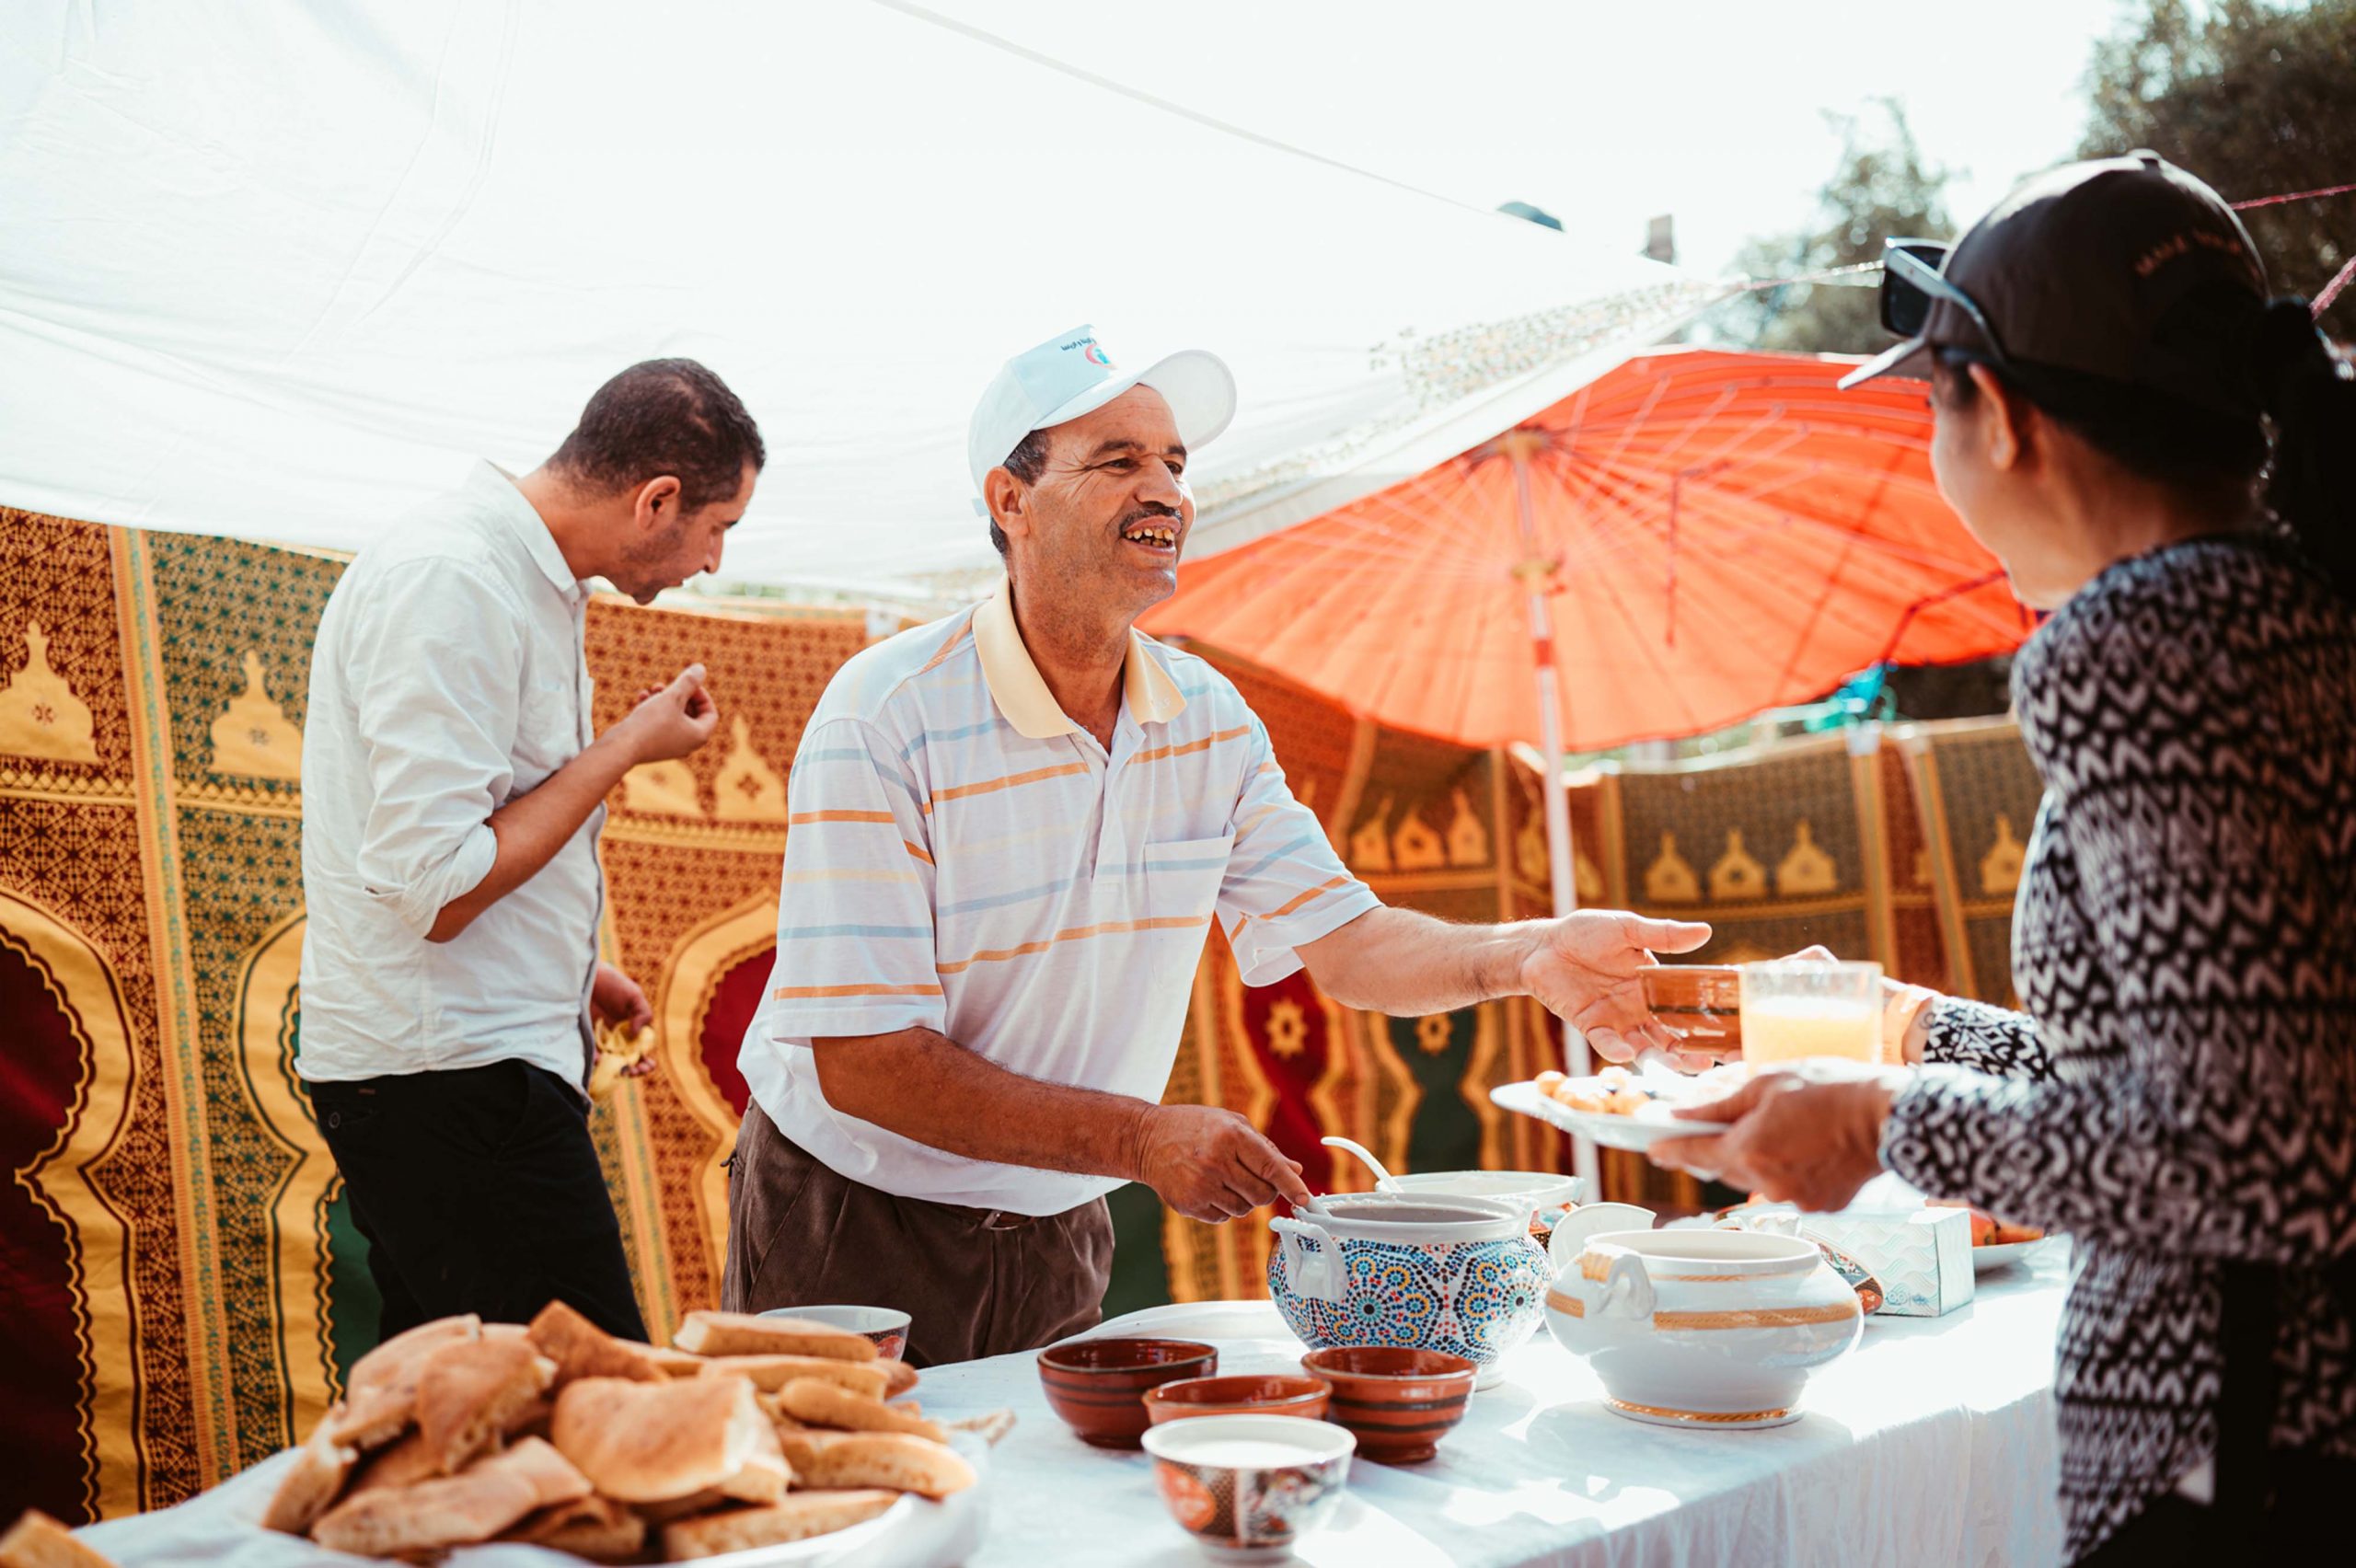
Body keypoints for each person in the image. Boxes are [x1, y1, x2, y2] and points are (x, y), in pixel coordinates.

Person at [723, 324, 1708, 1365]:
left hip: (1061, 1221)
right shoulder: (885, 714)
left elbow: (1352, 944)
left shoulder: (1207, 719)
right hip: (856, 1217)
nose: (1167, 493)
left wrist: (1528, 953)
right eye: (1118, 462)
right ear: (1010, 500)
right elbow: (865, 1064)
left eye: (1175, 463)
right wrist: (1141, 1139)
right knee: (845, 1471)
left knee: (1044, 1477)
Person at [1643, 154, 2356, 1561]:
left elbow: (2250, 1152)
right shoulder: (2294, 611)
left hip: (2253, 1460)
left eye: (1933, 401)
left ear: (2009, 420)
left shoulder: (2149, 644)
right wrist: (1913, 1032)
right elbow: (2237, 1072)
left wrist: (1876, 1124)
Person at [300, 359, 766, 1342]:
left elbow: (461, 832)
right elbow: (433, 888)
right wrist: (625, 747)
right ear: (658, 500)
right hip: (451, 1081)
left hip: (455, 1075)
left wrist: (570, 970)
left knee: (459, 1402)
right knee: (595, 1393)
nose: (714, 561)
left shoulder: (511, 580)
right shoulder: (455, 579)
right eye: (718, 527)